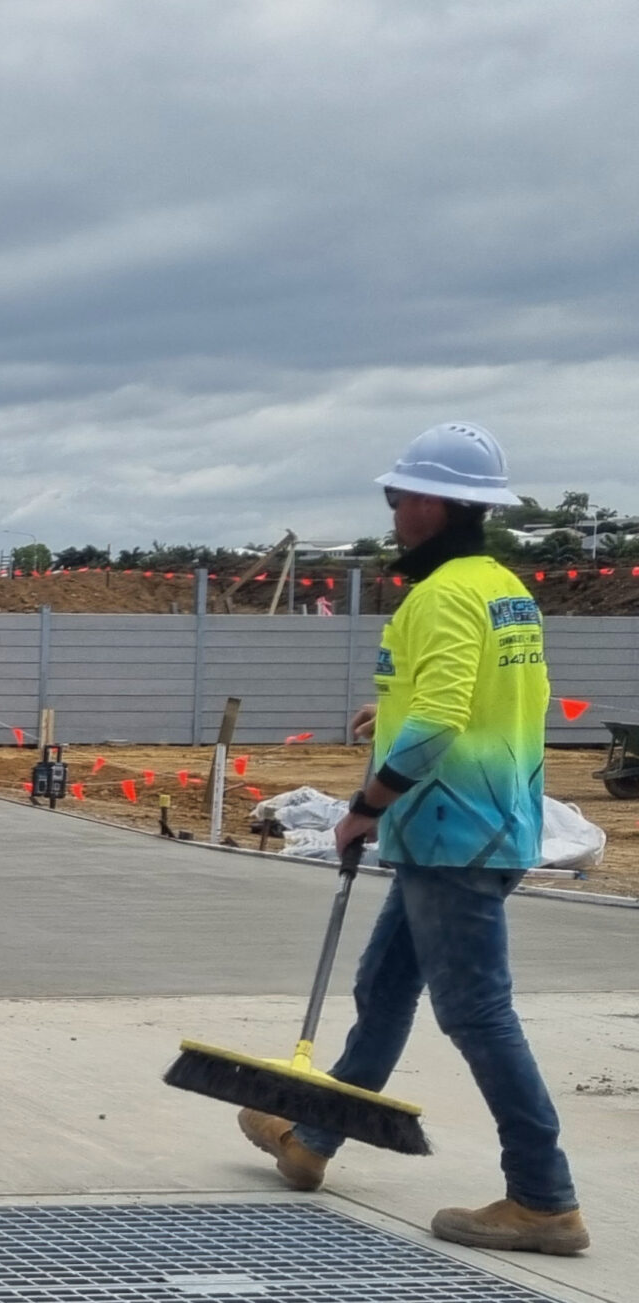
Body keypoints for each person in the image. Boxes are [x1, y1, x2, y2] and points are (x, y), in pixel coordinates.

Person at [237, 422, 584, 1255]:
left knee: (478, 1011)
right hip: (492, 821)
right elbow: (503, 699)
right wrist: (387, 716)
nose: (393, 512)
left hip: (449, 829)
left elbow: (437, 722)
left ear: (437, 502)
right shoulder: (503, 587)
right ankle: (312, 1140)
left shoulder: (440, 595)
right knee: (385, 987)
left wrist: (364, 803)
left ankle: (544, 1197)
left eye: (400, 496)